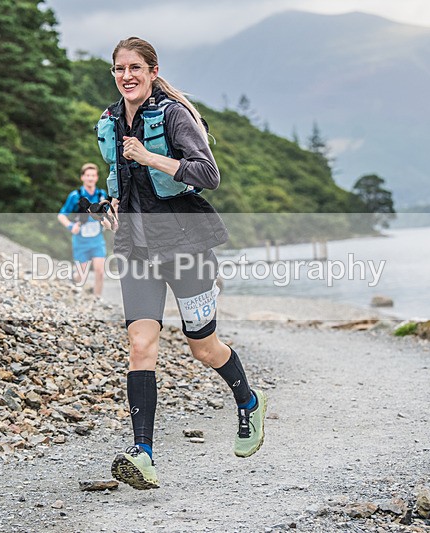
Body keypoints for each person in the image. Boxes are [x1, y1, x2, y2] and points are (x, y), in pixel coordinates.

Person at [95, 36, 267, 490]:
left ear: (152, 71)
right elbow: (122, 182)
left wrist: (151, 156)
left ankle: (248, 401)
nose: (126, 76)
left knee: (202, 347)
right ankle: (144, 453)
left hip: (186, 246)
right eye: (119, 69)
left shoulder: (174, 116)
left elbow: (208, 175)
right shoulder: (111, 122)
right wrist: (109, 204)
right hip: (136, 249)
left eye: (135, 67)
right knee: (140, 344)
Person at [57, 163, 107, 297]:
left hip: (97, 240)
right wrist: (70, 226)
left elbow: (108, 214)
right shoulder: (75, 196)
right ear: (82, 178)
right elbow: (62, 215)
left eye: (93, 175)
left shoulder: (102, 195)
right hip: (80, 240)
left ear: (96, 178)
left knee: (100, 271)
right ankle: (73, 279)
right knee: (81, 274)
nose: (90, 178)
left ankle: (97, 299)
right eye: (88, 175)